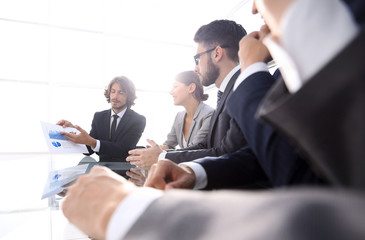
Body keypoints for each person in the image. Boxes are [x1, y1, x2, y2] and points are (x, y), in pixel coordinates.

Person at [62, 0, 365, 239]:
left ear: (216, 53)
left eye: (197, 58)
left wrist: (131, 212)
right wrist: (194, 172)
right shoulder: (249, 86)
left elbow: (280, 166)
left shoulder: (256, 81)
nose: (256, 8)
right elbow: (256, 155)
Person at [126, 20, 248, 168]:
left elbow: (226, 153)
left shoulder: (243, 88)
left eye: (197, 59)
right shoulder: (228, 91)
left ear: (217, 53)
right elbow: (208, 145)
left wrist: (162, 157)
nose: (196, 68)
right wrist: (161, 155)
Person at [58, 76, 146, 162]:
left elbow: (124, 150)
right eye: (113, 91)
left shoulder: (138, 120)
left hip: (125, 172)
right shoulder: (99, 117)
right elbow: (89, 150)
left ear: (129, 96)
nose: (115, 96)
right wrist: (74, 131)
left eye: (121, 92)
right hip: (101, 170)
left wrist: (93, 142)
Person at [160, 71, 214, 150]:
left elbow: (193, 150)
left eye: (175, 86)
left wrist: (161, 154)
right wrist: (156, 149)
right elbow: (169, 144)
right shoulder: (179, 116)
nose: (171, 92)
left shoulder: (209, 114)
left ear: (191, 88)